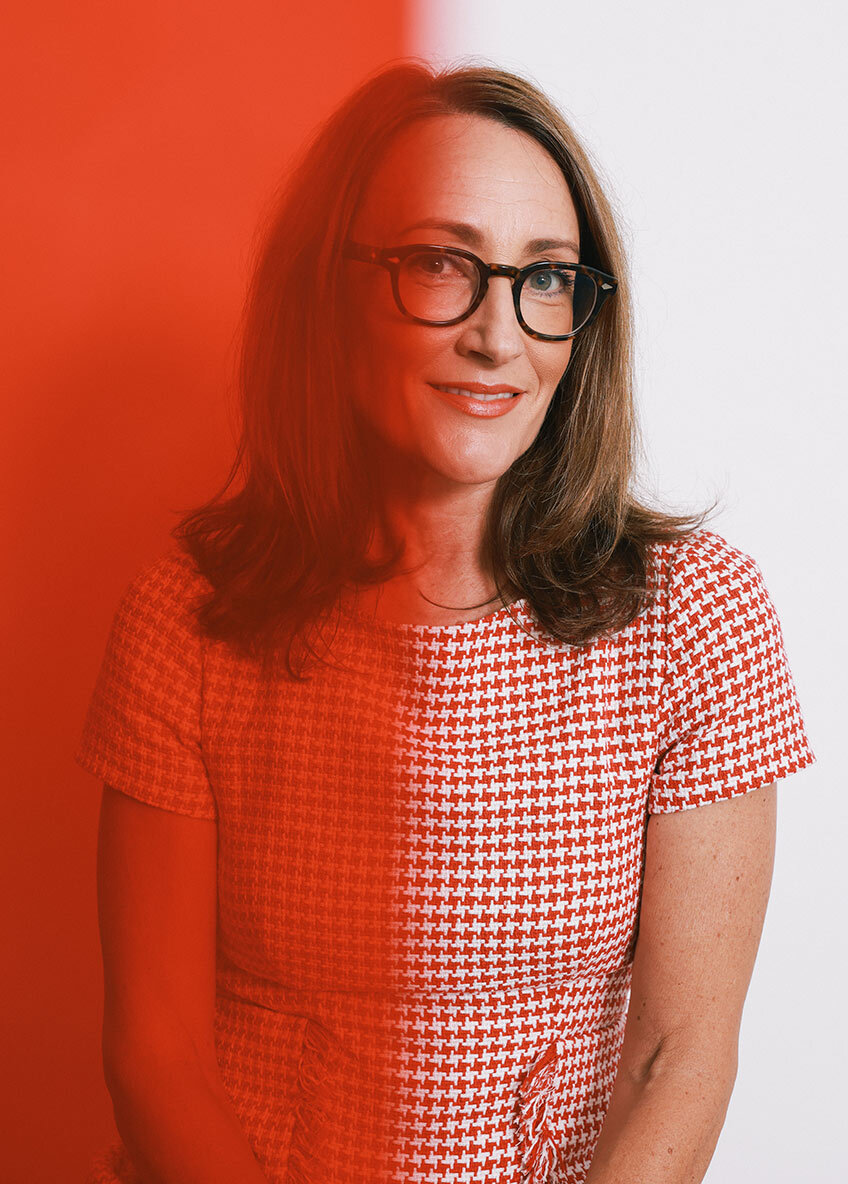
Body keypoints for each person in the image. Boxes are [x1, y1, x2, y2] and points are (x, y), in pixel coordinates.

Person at [75, 60, 814, 1184]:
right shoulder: (186, 616)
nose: (497, 335)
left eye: (545, 277)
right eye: (439, 263)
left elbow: (679, 1057)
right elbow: (155, 1052)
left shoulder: (697, 618)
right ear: (328, 293)